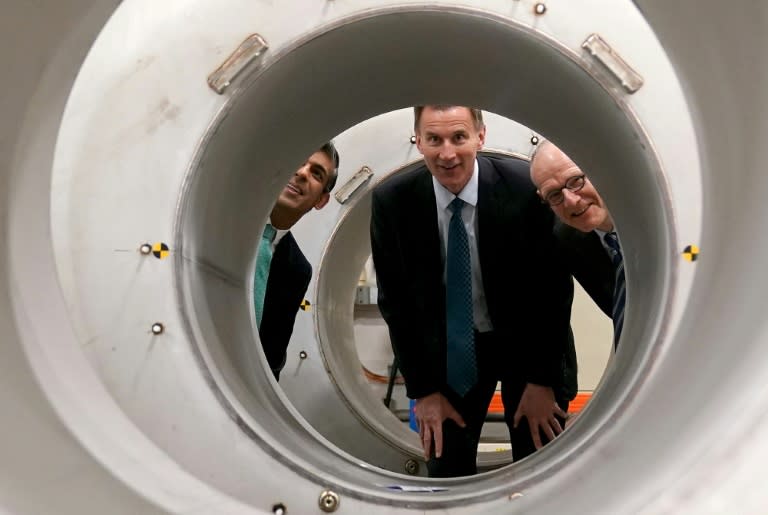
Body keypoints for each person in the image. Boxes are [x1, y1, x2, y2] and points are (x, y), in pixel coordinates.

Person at [370, 106, 574, 477]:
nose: (447, 154)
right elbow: (395, 303)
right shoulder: (392, 201)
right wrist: (424, 391)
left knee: (541, 469)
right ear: (418, 141)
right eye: (434, 139)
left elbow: (554, 289)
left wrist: (541, 380)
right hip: (451, 351)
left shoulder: (525, 188)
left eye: (458, 137)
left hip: (530, 345)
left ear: (481, 136)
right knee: (446, 469)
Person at [529, 139, 624, 349]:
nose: (570, 201)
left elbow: (693, 254)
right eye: (554, 194)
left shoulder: (655, 216)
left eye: (575, 181)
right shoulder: (567, 239)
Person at [255, 143, 339, 380]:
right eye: (299, 162)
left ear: (321, 201)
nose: (302, 173)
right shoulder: (223, 223)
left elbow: (272, 360)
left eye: (316, 173)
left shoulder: (297, 270)